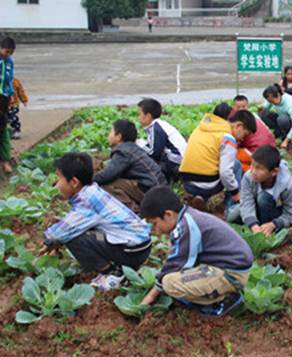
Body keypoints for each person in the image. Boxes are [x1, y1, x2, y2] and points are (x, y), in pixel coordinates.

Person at [42, 153, 152, 291]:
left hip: (132, 252)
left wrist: (48, 240)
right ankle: (123, 266)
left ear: (74, 182)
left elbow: (61, 232)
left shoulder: (86, 201)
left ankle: (112, 273)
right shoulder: (92, 191)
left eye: (59, 178)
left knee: (74, 236)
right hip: (140, 246)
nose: (57, 184)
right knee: (80, 231)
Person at [139, 186, 253, 317]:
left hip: (231, 274)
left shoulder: (187, 226)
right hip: (226, 266)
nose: (156, 230)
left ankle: (222, 301)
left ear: (168, 214)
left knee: (169, 283)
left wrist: (151, 296)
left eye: (155, 224)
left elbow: (176, 264)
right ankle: (216, 294)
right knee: (175, 281)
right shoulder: (188, 217)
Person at [94, 119, 167, 213]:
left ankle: (134, 211)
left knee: (106, 184)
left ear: (119, 137)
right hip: (159, 189)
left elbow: (107, 175)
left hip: (151, 191)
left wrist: (88, 181)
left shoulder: (123, 152)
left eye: (111, 131)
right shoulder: (132, 148)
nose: (108, 135)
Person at [179, 103, 243, 209]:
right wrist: (235, 192)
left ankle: (200, 198)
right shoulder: (226, 136)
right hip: (208, 184)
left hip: (186, 182)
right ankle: (229, 206)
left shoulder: (199, 128)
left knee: (208, 166)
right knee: (236, 165)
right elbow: (225, 173)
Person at [234, 145, 292, 235]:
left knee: (263, 198)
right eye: (252, 165)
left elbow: (291, 214)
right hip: (267, 206)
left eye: (259, 168)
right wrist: (253, 224)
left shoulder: (287, 184)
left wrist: (274, 224)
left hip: (291, 211)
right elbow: (247, 202)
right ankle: (260, 226)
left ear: (274, 172)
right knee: (233, 216)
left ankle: (268, 233)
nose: (253, 171)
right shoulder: (249, 176)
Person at [137, 98, 187, 181]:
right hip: (178, 160)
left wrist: (138, 144)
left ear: (148, 116)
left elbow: (154, 152)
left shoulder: (156, 128)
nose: (138, 117)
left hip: (176, 163)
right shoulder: (158, 125)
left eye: (139, 114)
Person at [230, 95, 276, 170]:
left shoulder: (240, 122)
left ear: (247, 106)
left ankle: (250, 170)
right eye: (238, 107)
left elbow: (235, 142)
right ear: (233, 107)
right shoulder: (254, 115)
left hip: (257, 151)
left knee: (230, 156)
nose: (241, 109)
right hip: (271, 149)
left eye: (243, 107)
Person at [259, 84, 292, 149]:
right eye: (270, 101)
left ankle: (287, 135)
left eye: (272, 101)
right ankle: (279, 132)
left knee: (282, 119)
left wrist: (286, 141)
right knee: (263, 113)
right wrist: (261, 108)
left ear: (278, 95)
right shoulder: (273, 99)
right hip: (280, 118)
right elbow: (265, 107)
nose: (271, 103)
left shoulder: (291, 104)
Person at [0, 37, 16, 174]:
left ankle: (5, 160)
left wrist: (10, 94)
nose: (8, 54)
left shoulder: (9, 62)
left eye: (10, 52)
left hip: (3, 98)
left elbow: (9, 79)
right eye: (6, 51)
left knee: (3, 129)